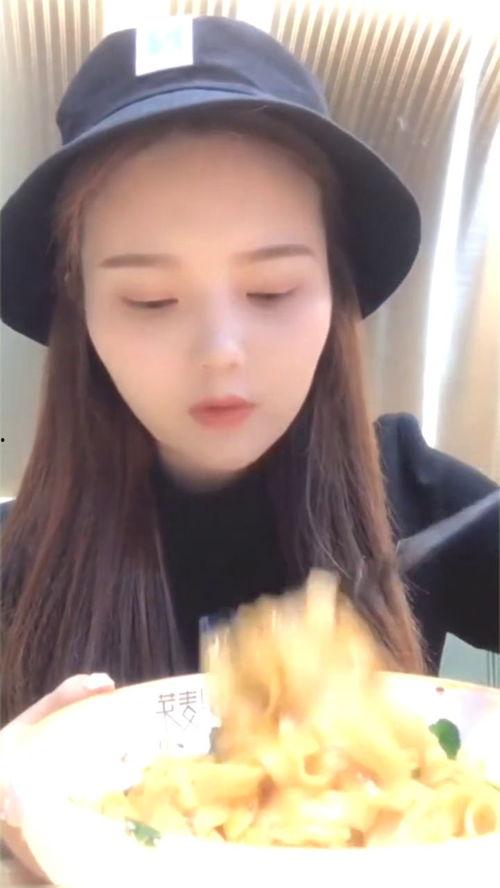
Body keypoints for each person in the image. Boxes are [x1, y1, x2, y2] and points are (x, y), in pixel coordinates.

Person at [0, 14, 498, 879]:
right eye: (151, 301)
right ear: (80, 313)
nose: (221, 352)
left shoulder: (419, 496)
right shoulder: (15, 561)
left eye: (271, 290)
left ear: (335, 290)